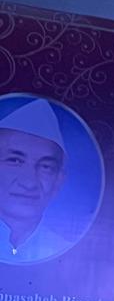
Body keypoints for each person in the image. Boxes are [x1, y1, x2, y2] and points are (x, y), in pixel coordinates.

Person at [0, 97, 73, 263]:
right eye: (15, 161)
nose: (29, 183)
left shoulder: (70, 255)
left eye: (46, 167)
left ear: (59, 181)